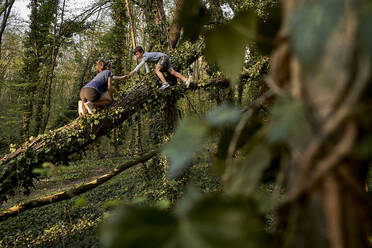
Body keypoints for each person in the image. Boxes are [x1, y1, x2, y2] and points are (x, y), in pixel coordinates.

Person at [126, 46, 191, 90]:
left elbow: (140, 65)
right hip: (165, 57)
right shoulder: (145, 57)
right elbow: (146, 65)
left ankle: (165, 83)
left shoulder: (145, 56)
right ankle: (185, 80)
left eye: (137, 54)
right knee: (172, 72)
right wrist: (148, 73)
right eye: (136, 55)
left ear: (141, 52)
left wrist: (133, 71)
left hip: (163, 57)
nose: (137, 56)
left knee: (157, 70)